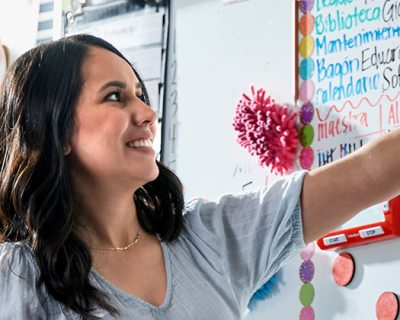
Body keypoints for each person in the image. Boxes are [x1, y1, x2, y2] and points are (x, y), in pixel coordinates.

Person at [0, 34, 399, 320]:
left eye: (141, 94)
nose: (147, 114)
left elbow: (368, 171)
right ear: (56, 131)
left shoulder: (210, 238)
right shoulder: (18, 278)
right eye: (115, 96)